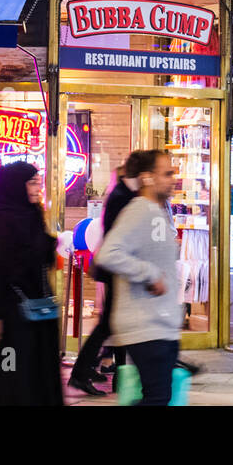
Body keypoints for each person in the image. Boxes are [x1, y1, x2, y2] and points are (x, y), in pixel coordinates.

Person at [0, 162, 63, 406]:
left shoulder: (34, 217)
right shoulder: (2, 225)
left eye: (38, 181)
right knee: (10, 374)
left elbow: (42, 261)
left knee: (36, 374)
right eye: (31, 182)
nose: (37, 187)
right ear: (15, 186)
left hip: (39, 314)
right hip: (13, 316)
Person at [95, 149, 181, 406]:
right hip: (146, 326)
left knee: (157, 398)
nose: (173, 178)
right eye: (167, 173)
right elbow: (108, 253)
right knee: (157, 399)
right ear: (147, 178)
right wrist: (150, 274)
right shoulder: (139, 211)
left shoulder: (156, 211)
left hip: (159, 325)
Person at [68, 164, 139, 396]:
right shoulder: (122, 197)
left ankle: (92, 367)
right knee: (110, 324)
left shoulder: (121, 194)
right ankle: (86, 371)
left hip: (115, 269)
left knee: (111, 323)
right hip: (116, 270)